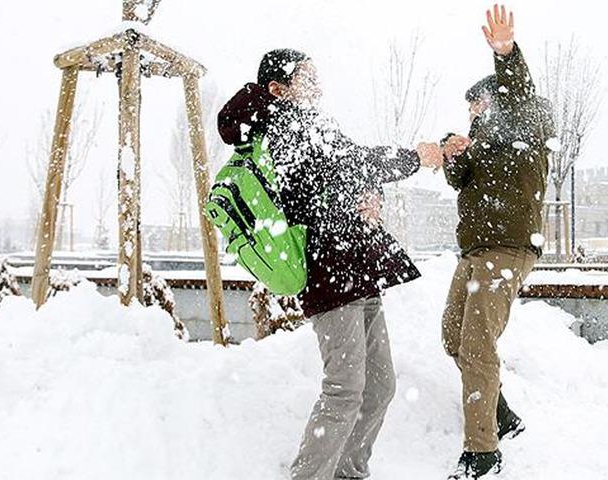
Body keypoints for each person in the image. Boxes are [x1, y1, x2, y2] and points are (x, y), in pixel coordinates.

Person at [217, 49, 444, 480]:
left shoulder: (312, 124)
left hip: (356, 267)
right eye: (308, 77)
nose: (318, 85)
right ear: (278, 89)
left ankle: (348, 474)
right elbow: (343, 168)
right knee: (344, 389)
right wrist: (413, 158)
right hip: (329, 272)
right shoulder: (282, 127)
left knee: (379, 387)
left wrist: (365, 194)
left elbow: (343, 174)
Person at [439, 5, 550, 479]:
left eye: (478, 104)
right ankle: (500, 413)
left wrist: (505, 53)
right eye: (469, 108)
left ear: (498, 101)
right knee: (453, 337)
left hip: (507, 250)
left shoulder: (526, 126)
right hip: (476, 252)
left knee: (478, 347)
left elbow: (520, 94)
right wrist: (451, 150)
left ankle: (482, 453)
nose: (473, 112)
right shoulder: (481, 145)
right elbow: (458, 179)